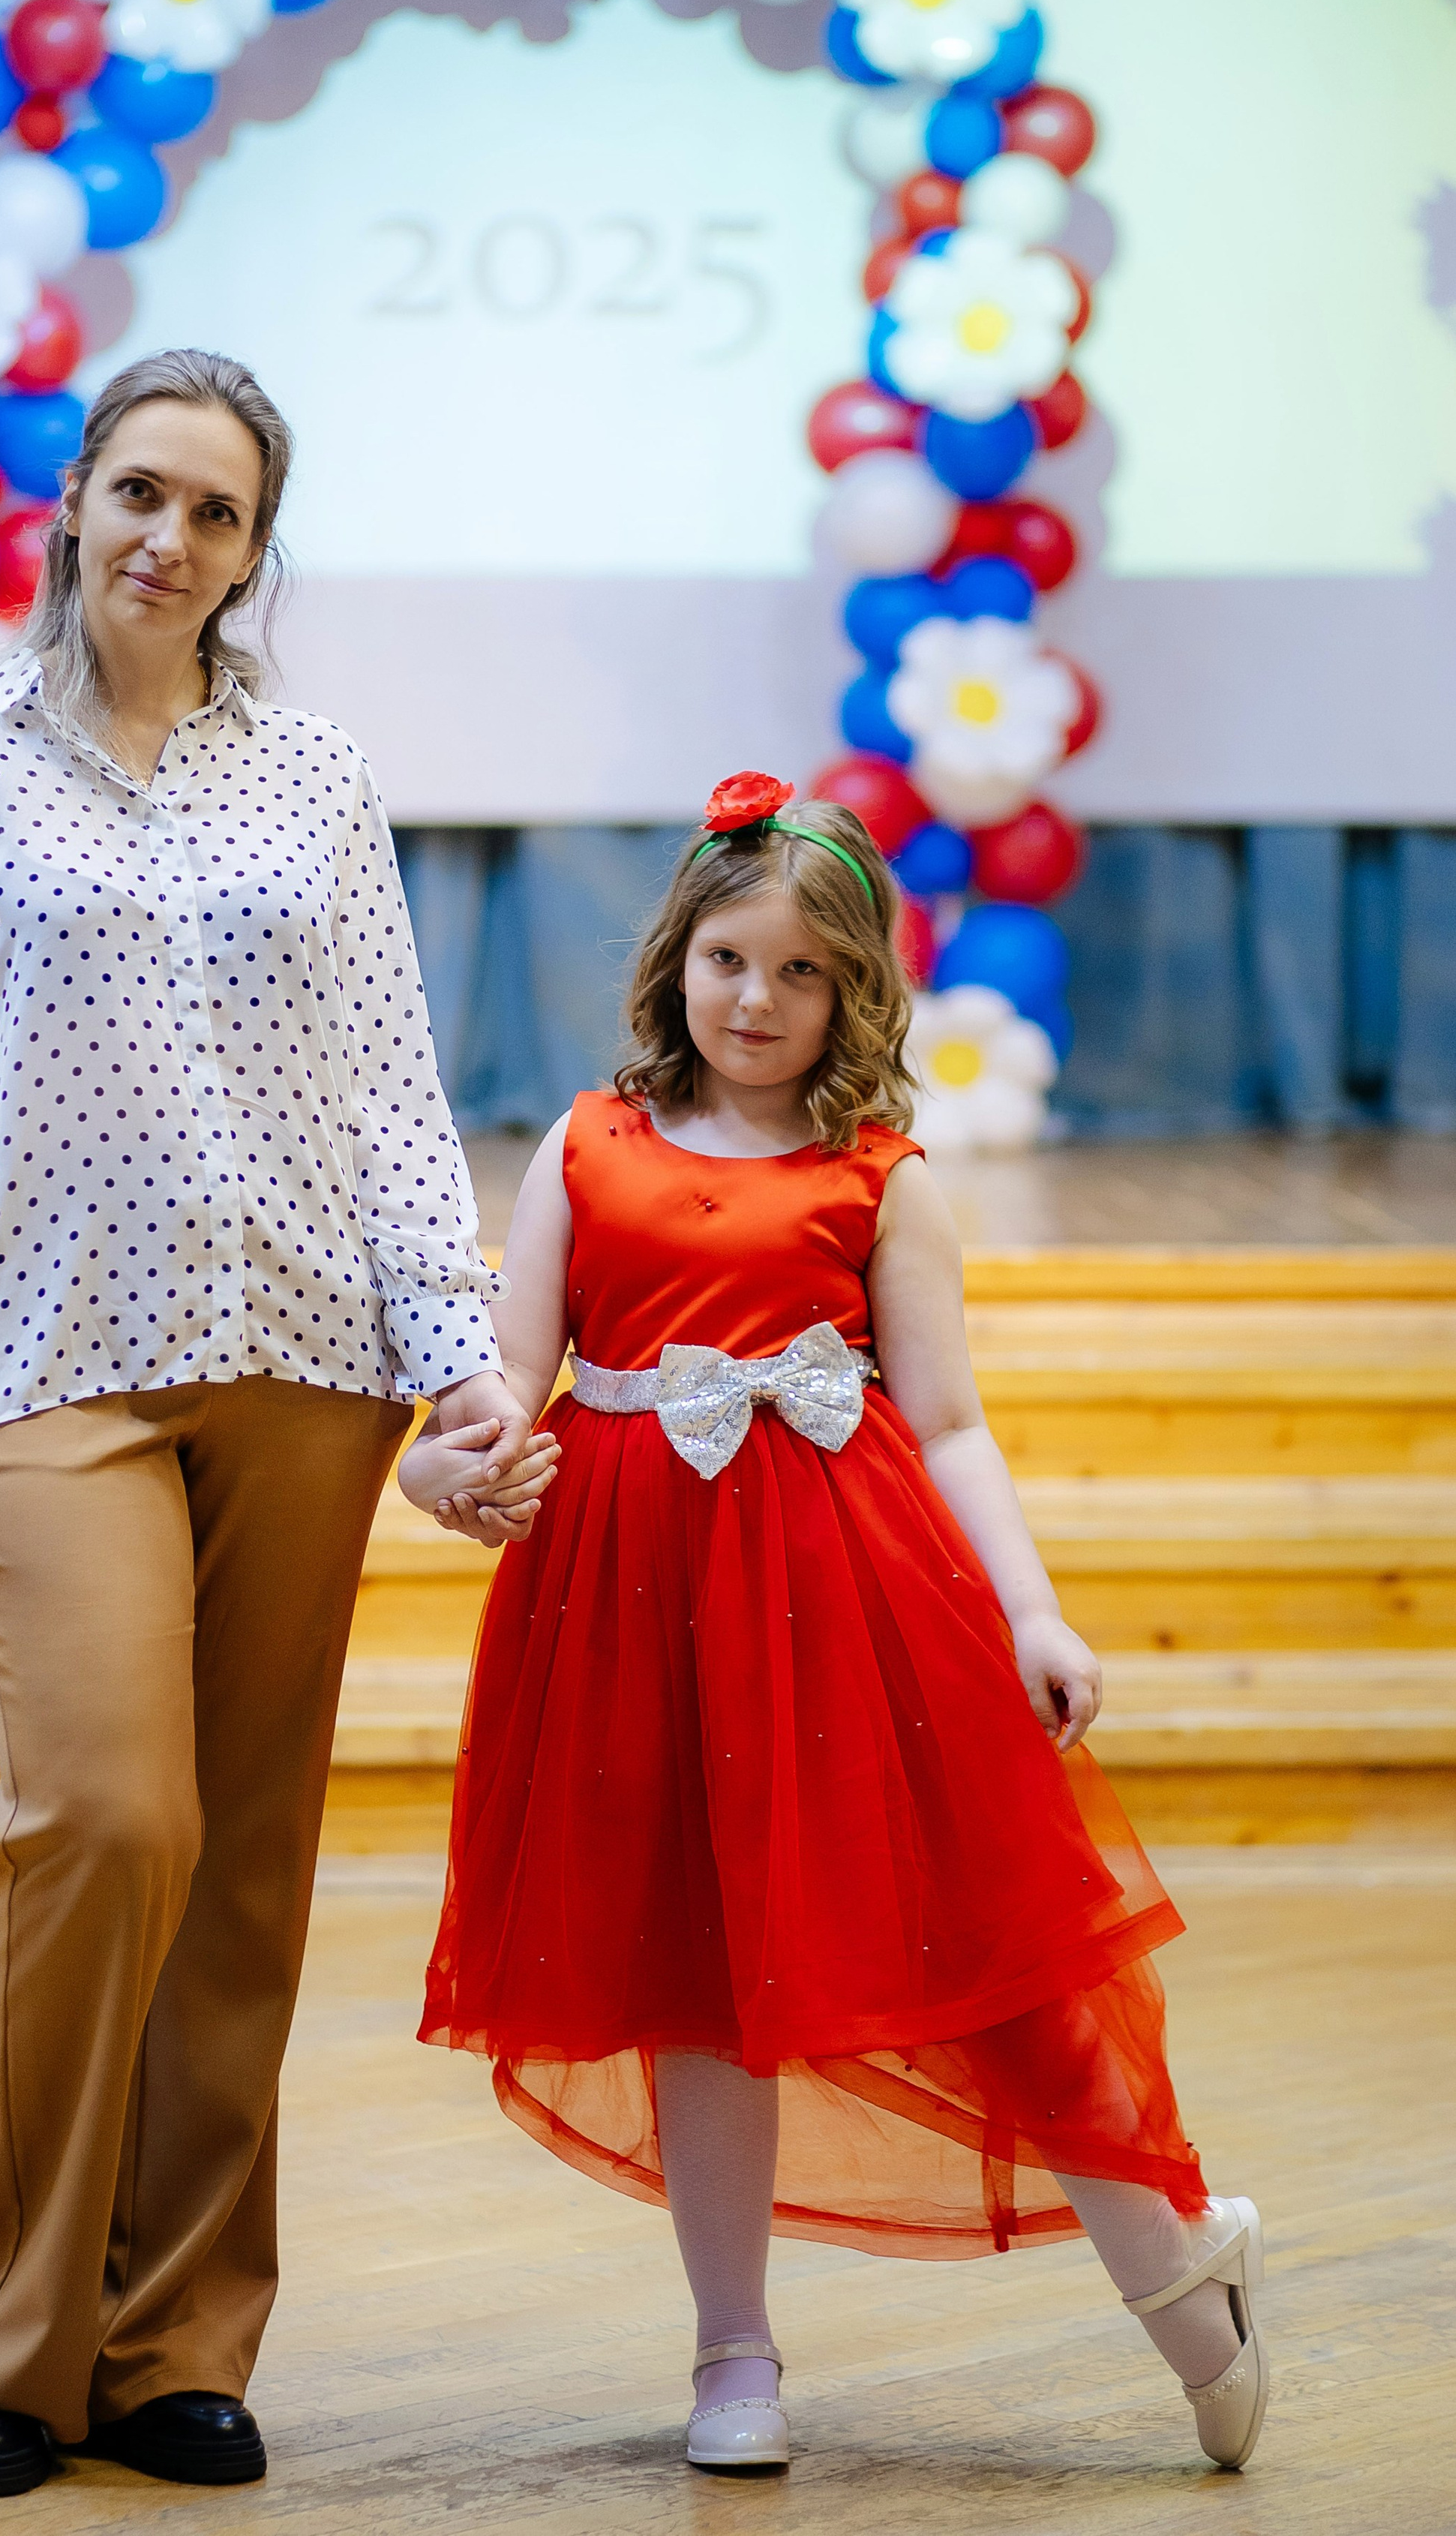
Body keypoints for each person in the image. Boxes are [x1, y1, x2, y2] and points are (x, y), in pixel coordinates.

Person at [0, 349, 526, 2500]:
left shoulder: (312, 773)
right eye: (142, 492)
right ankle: (12, 2344)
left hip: (306, 1356)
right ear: (73, 501)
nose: (169, 541)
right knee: (108, 1823)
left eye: (216, 516)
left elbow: (393, 1087)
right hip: (42, 1366)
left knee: (243, 1865)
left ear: (249, 552)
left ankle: (181, 2340)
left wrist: (461, 1350)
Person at [404, 771, 1267, 2477]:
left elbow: (944, 1424)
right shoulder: (586, 1146)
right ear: (677, 961)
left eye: (798, 973)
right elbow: (511, 1380)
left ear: (850, 991)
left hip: (850, 1601)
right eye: (728, 958)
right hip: (628, 1608)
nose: (754, 999)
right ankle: (733, 2355)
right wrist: (450, 1464)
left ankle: (1182, 2278)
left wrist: (1026, 1608)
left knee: (996, 1943)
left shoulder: (881, 1178)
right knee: (694, 1979)